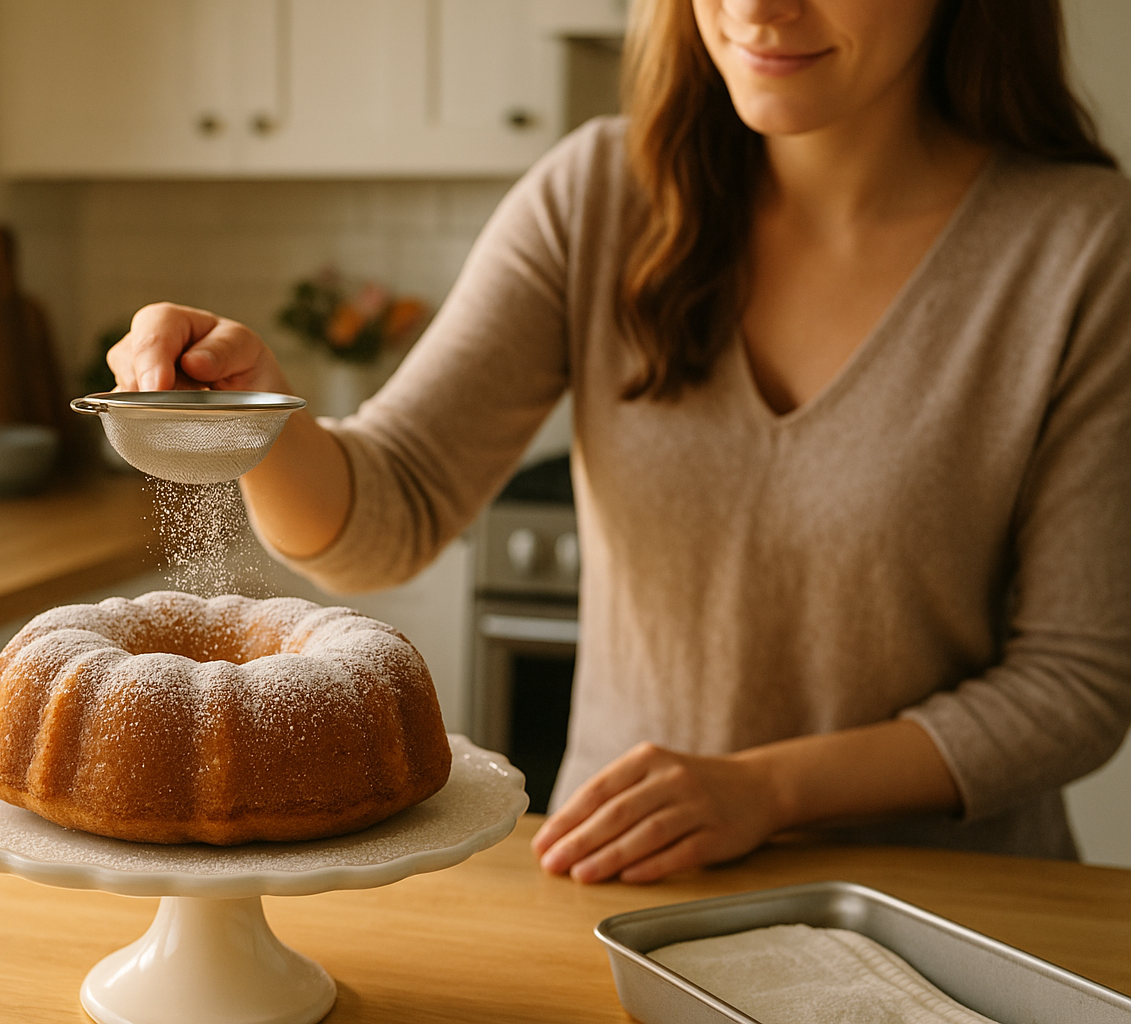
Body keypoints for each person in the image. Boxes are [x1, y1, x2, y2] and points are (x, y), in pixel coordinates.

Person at [107, 0, 1131, 883]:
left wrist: (765, 790)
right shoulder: (596, 195)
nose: (758, 7)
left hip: (955, 911)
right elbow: (390, 515)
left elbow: (1078, 684)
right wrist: (254, 415)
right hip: (629, 887)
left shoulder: (1083, 250)